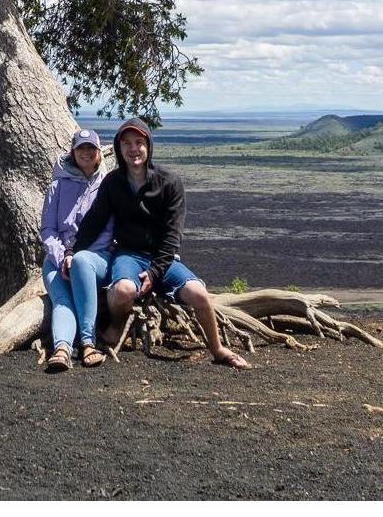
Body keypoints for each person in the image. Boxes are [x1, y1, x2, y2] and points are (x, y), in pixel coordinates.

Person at [69, 117, 250, 369]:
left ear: (149, 146)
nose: (134, 149)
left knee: (199, 294)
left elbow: (172, 237)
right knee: (122, 291)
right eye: (127, 143)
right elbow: (93, 223)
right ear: (119, 149)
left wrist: (154, 273)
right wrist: (72, 251)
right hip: (128, 254)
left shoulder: (169, 182)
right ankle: (117, 326)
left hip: (162, 258)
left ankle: (218, 349)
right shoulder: (113, 183)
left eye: (139, 142)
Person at [38, 128, 113, 370]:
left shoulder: (108, 186)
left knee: (81, 262)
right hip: (56, 260)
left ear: (99, 152)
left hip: (95, 257)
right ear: (73, 152)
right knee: (62, 300)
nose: (86, 152)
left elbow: (109, 232)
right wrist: (61, 259)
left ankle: (88, 343)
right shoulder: (57, 187)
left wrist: (78, 257)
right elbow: (48, 231)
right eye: (81, 148)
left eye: (91, 148)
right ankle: (62, 349)